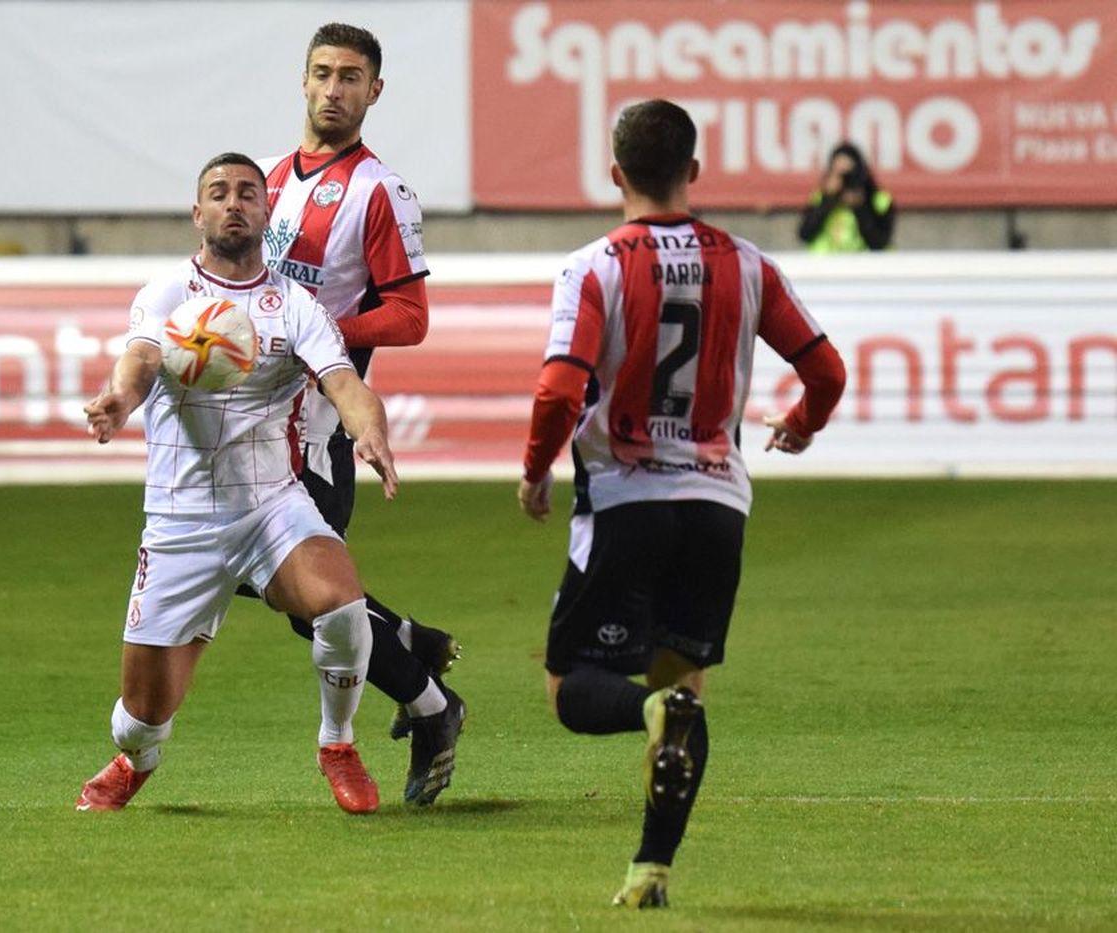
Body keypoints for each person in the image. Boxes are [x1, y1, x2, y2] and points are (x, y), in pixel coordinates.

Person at [518, 100, 847, 907]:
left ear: (615, 172)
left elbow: (561, 384)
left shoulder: (592, 266)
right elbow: (828, 371)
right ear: (693, 172)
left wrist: (535, 469)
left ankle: (650, 712)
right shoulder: (748, 264)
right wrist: (800, 426)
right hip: (717, 505)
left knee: (573, 688)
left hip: (628, 497)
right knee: (687, 691)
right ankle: (649, 870)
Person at [77, 153, 400, 815]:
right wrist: (119, 399)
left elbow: (346, 384)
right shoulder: (170, 293)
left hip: (270, 505)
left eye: (248, 193)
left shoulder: (297, 306)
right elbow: (139, 358)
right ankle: (137, 757)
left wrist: (368, 428)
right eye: (218, 193)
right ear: (199, 214)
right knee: (139, 716)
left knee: (342, 604)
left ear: (264, 213)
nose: (234, 203)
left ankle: (337, 742)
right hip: (181, 520)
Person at [257, 21, 465, 807]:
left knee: (309, 600)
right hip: (256, 425)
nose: (333, 89)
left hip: (316, 430)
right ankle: (412, 652)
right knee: (292, 594)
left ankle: (429, 701)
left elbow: (410, 316)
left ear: (373, 92)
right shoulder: (271, 179)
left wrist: (321, 330)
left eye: (351, 77)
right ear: (302, 81)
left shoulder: (380, 190)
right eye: (322, 73)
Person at [797, 142, 896, 253]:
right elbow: (805, 234)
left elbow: (879, 243)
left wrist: (860, 207)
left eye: (848, 176)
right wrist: (828, 199)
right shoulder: (820, 197)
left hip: (865, 266)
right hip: (824, 266)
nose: (844, 182)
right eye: (839, 175)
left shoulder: (878, 200)